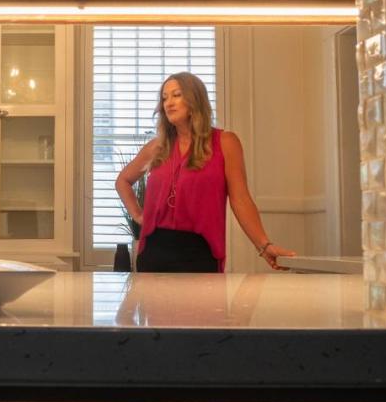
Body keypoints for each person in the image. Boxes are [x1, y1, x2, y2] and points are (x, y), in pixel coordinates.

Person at [115, 72, 296, 273]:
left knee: (203, 305)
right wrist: (138, 214)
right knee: (154, 305)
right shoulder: (157, 147)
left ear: (194, 99)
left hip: (200, 252)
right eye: (164, 98)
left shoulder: (225, 143)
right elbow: (123, 180)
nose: (168, 103)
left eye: (176, 95)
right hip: (154, 252)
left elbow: (241, 199)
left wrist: (264, 246)